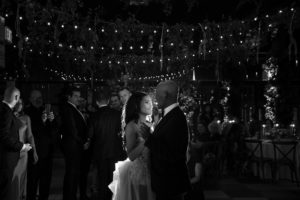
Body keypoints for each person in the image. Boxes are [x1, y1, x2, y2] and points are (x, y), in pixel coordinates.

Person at [144, 80, 191, 200]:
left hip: (170, 184)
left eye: (157, 94)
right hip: (166, 183)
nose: (155, 98)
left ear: (165, 95)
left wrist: (148, 136)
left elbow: (172, 154)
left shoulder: (177, 118)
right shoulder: (170, 115)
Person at [109, 92, 155, 200]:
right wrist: (147, 140)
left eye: (151, 102)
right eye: (147, 102)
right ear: (137, 105)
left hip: (151, 169)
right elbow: (131, 156)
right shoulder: (132, 126)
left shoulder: (149, 122)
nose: (151, 105)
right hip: (139, 173)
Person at [88, 89, 125, 200]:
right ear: (108, 101)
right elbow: (122, 133)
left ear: (97, 102)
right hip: (115, 152)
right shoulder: (117, 114)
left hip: (100, 153)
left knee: (102, 180)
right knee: (114, 179)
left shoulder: (94, 116)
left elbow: (90, 134)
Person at [0, 86, 32, 199]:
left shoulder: (3, 109)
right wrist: (22, 146)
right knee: (5, 192)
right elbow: (4, 136)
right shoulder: (7, 112)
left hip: (6, 157)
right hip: (6, 159)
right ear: (16, 97)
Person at [25, 90, 57, 200]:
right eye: (36, 97)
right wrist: (42, 122)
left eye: (40, 97)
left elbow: (54, 132)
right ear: (30, 99)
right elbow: (30, 133)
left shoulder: (46, 110)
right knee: (32, 183)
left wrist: (52, 121)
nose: (39, 99)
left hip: (47, 153)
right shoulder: (27, 112)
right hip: (34, 153)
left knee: (45, 183)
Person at [59, 87, 89, 200]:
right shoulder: (68, 108)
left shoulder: (74, 108)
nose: (78, 98)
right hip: (73, 146)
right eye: (75, 96)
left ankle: (71, 196)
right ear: (69, 97)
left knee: (74, 174)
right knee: (71, 174)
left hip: (75, 146)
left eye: (79, 96)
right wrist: (83, 143)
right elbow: (73, 130)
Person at [9, 99, 38, 200]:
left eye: (21, 102)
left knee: (21, 179)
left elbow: (30, 136)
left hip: (23, 154)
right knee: (12, 179)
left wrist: (34, 151)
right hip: (11, 153)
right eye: (17, 102)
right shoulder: (7, 117)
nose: (20, 104)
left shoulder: (26, 118)